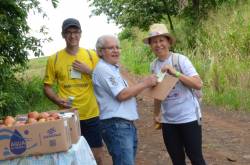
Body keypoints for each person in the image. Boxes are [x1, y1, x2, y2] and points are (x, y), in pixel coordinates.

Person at [143, 23, 206, 165]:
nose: (158, 45)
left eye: (161, 40)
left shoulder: (180, 60)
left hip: (189, 117)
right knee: (177, 160)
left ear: (168, 42)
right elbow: (158, 92)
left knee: (195, 157)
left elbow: (198, 84)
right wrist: (156, 114)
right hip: (168, 121)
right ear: (150, 45)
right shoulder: (153, 65)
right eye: (154, 41)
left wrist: (175, 73)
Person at [43, 18, 104, 165]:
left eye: (76, 32)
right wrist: (57, 100)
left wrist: (88, 70)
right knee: (71, 158)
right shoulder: (54, 59)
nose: (72, 36)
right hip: (67, 117)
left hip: (91, 114)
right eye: (68, 32)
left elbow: (104, 80)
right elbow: (47, 87)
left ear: (81, 34)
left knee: (97, 157)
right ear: (63, 35)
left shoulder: (92, 55)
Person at [93, 35, 157, 165]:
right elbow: (122, 95)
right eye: (111, 48)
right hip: (116, 124)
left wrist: (142, 83)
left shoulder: (112, 68)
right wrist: (145, 83)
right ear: (100, 51)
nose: (116, 50)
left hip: (124, 124)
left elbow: (132, 90)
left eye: (117, 47)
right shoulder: (103, 69)